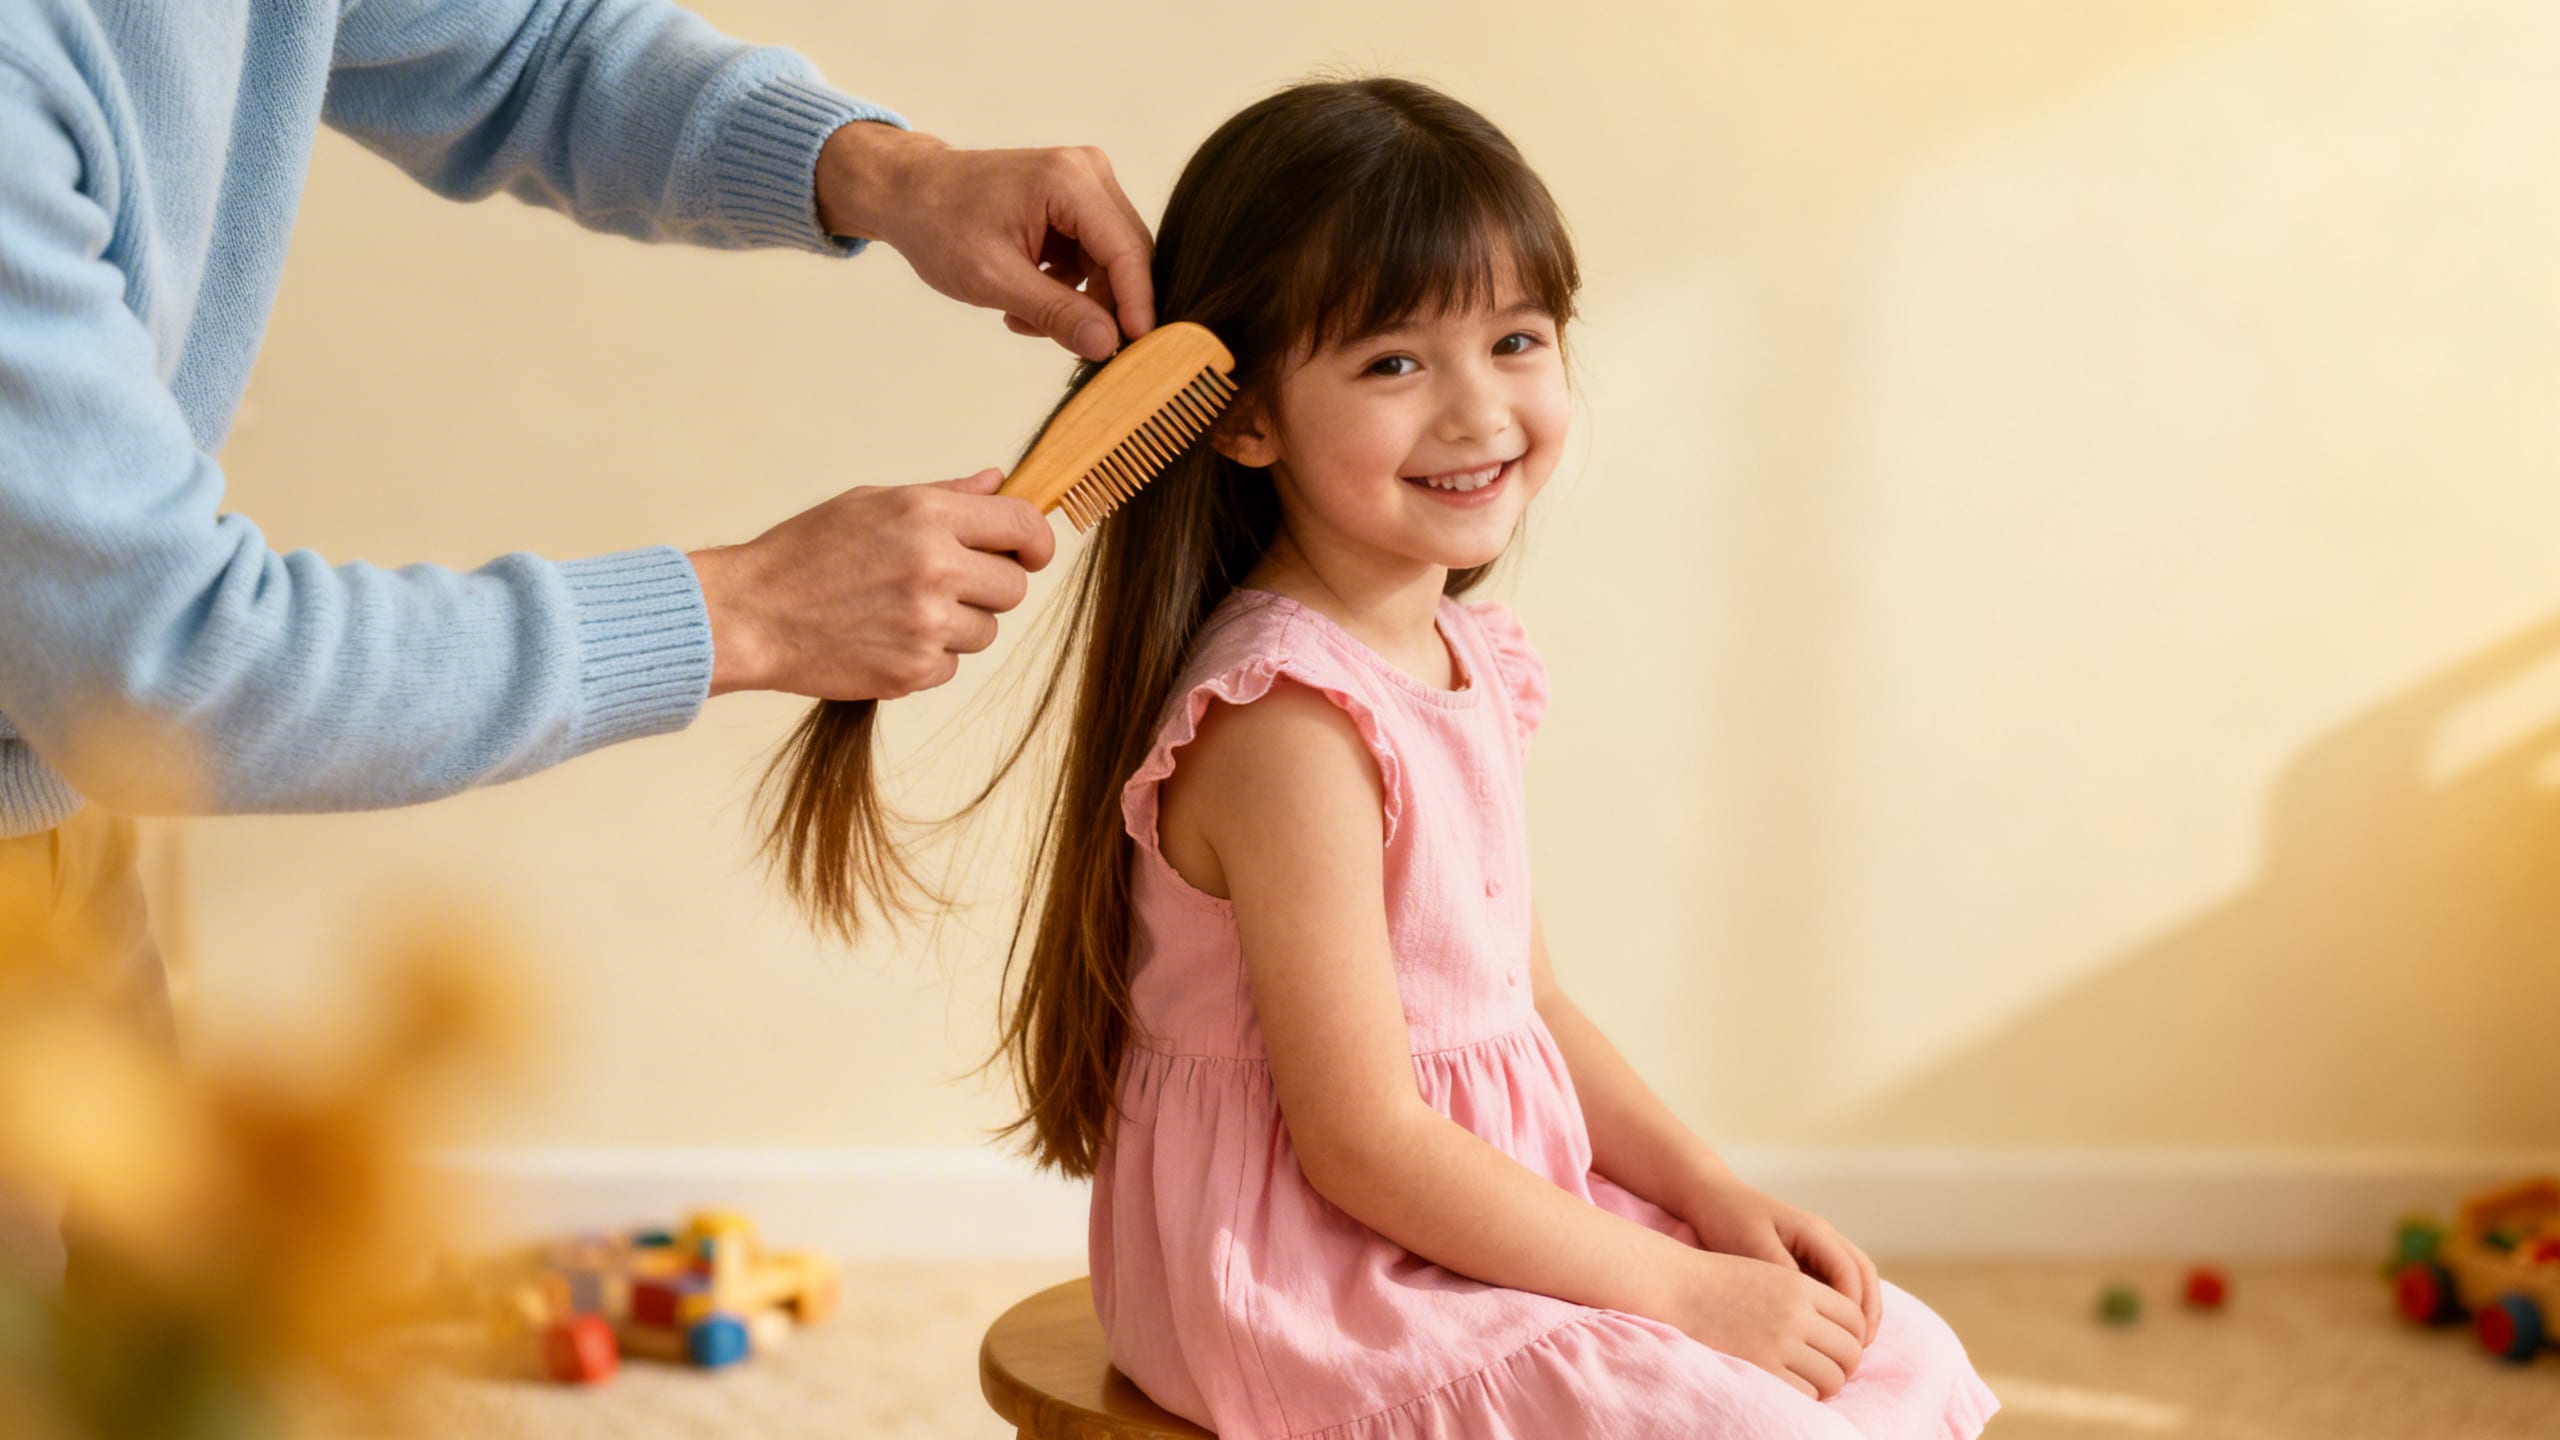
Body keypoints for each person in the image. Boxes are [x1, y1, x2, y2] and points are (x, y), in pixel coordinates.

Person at [765, 77, 1999, 1438]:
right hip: (1316, 1277)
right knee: (1747, 1418)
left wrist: (1713, 1201)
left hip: (1465, 1209)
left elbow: (1528, 1002)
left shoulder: (1466, 661)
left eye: (1518, 339)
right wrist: (1678, 1293)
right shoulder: (1289, 720)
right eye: (1394, 362)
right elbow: (1363, 1144)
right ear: (1241, 417)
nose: (1477, 411)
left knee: (1903, 1361)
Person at [0, 0, 1148, 1281]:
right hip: (75, 717)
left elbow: (523, 47)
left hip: (48, 778)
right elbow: (175, 664)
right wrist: (749, 606)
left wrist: (890, 172)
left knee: (150, 1341)